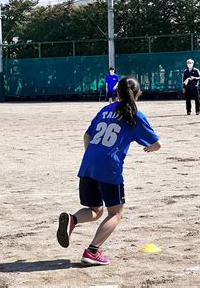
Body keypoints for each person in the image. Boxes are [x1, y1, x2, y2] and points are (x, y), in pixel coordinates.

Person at [56, 77, 161, 266]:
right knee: (116, 213)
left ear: (118, 93)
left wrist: (93, 157)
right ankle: (92, 251)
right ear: (137, 94)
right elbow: (156, 144)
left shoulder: (105, 109)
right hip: (109, 169)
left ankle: (72, 220)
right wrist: (149, 148)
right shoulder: (135, 114)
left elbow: (87, 135)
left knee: (95, 210)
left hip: (88, 164)